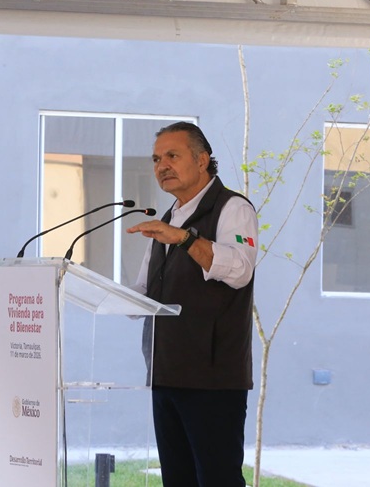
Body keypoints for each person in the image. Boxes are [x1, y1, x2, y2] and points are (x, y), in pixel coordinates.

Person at [127, 121, 258, 487]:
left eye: (172, 155)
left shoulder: (232, 208)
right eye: (156, 159)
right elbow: (144, 293)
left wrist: (184, 239)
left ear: (202, 160)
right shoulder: (167, 219)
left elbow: (240, 270)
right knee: (177, 480)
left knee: (217, 480)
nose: (162, 166)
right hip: (165, 372)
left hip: (212, 379)